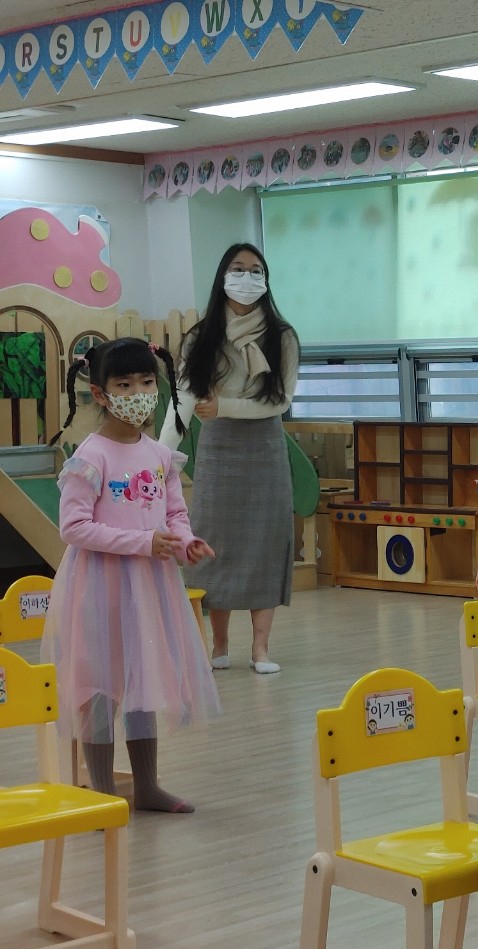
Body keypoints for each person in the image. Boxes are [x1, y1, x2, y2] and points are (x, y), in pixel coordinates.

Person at [43, 337, 221, 812]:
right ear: (100, 393)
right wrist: (143, 542)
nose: (138, 393)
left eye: (146, 382)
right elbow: (74, 527)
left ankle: (147, 787)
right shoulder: (91, 456)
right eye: (124, 385)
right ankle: (102, 794)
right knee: (100, 686)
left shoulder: (159, 455)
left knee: (143, 681)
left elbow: (174, 512)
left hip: (149, 586)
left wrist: (184, 541)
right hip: (99, 585)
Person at [161, 242, 299, 674]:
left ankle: (260, 649)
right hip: (218, 449)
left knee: (265, 543)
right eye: (238, 269)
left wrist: (225, 406)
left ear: (266, 280)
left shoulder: (282, 336)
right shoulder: (200, 337)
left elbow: (280, 400)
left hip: (264, 448)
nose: (247, 277)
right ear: (223, 277)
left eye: (256, 270)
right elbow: (184, 399)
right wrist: (161, 454)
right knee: (213, 542)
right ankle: (219, 645)